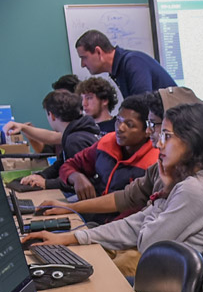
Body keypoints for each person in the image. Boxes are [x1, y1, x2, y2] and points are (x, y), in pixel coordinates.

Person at [25, 100, 203, 285]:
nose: (158, 143)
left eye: (166, 135)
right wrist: (71, 237)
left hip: (171, 288)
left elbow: (147, 242)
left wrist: (164, 190)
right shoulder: (196, 178)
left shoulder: (193, 189)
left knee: (93, 283)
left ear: (191, 141)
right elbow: (137, 223)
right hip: (170, 277)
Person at [58, 93, 160, 222]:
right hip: (94, 214)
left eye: (129, 124)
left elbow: (136, 212)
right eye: (118, 120)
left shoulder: (154, 162)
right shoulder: (107, 143)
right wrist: (76, 177)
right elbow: (68, 166)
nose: (120, 128)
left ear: (147, 131)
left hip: (123, 226)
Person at [18, 90, 101, 190]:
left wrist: (47, 184)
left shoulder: (75, 140)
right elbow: (61, 165)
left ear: (51, 115)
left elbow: (82, 182)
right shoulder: (74, 134)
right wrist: (41, 176)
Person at [75, 29, 177, 97]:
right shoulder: (121, 67)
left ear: (98, 52)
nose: (82, 64)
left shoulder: (133, 62)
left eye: (84, 57)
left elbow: (142, 106)